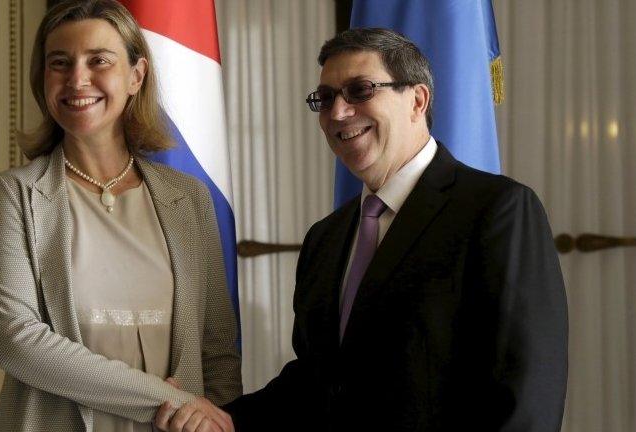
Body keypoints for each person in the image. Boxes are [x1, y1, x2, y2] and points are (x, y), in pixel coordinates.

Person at [156, 28, 568, 432]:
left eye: (360, 90)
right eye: (326, 98)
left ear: (417, 100)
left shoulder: (496, 210)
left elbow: (526, 392)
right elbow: (316, 383)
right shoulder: (326, 238)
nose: (338, 112)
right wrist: (221, 418)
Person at [0, 1, 241, 431]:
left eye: (98, 60)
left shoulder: (189, 199)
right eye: (59, 63)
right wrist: (169, 400)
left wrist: (217, 421)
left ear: (136, 76)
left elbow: (217, 351)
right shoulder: (17, 194)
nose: (77, 79)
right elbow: (16, 341)